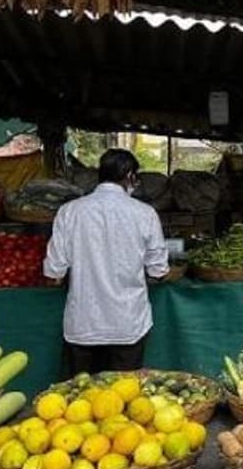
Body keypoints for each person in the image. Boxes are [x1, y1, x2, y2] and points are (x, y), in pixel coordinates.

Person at [44, 149, 169, 375]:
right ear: (130, 176)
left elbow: (54, 273)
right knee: (124, 396)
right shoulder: (145, 214)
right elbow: (159, 270)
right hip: (128, 323)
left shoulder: (69, 212)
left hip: (84, 324)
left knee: (82, 399)